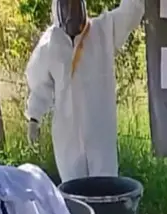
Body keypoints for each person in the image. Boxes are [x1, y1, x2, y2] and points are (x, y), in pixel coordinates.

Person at [24, 0, 145, 182]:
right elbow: (41, 86)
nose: (71, 10)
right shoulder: (50, 45)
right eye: (66, 5)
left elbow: (132, 11)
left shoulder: (103, 31)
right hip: (68, 138)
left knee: (104, 191)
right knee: (76, 195)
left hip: (100, 135)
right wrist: (34, 117)